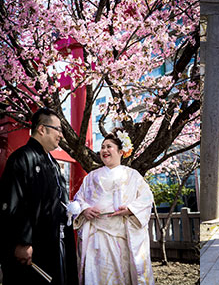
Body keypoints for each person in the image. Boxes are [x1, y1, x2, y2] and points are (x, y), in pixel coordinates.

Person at [0, 108, 78, 285]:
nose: (61, 135)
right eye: (58, 129)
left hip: (55, 239)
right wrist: (23, 242)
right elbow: (14, 201)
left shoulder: (53, 163)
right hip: (33, 243)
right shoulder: (21, 158)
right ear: (42, 129)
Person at [73, 129, 155, 285]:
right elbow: (79, 199)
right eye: (102, 147)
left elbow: (146, 198)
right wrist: (85, 209)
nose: (104, 150)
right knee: (96, 277)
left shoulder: (132, 175)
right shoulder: (91, 177)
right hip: (96, 235)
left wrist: (130, 209)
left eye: (109, 146)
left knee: (121, 277)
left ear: (121, 152)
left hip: (122, 234)